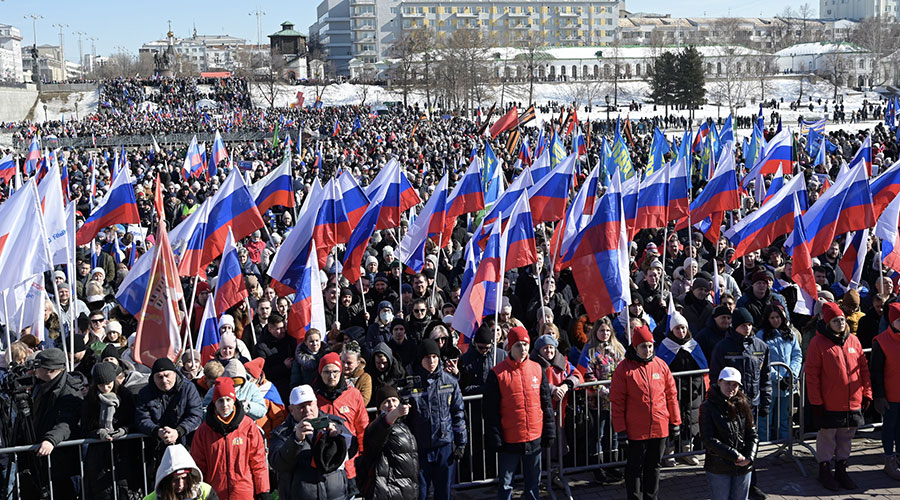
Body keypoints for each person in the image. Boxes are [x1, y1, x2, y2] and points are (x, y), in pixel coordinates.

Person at [806, 302, 872, 491]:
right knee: (827, 437)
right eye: (836, 320)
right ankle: (825, 471)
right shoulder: (817, 343)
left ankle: (842, 470)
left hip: (852, 401)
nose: (841, 323)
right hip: (829, 401)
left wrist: (867, 393)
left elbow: (864, 369)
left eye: (842, 320)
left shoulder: (854, 341)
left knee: (846, 437)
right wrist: (816, 402)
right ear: (828, 323)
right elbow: (812, 375)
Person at [610, 325, 681, 500]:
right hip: (636, 430)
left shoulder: (661, 366)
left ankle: (651, 497)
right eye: (643, 346)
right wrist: (620, 430)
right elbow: (617, 402)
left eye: (650, 346)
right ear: (635, 347)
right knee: (634, 468)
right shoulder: (624, 369)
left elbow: (671, 395)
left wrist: (675, 422)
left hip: (659, 427)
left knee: (654, 466)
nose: (648, 350)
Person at [483, 326, 555, 500]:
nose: (522, 349)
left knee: (533, 482)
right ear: (510, 347)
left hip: (534, 437)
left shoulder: (537, 369)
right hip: (510, 439)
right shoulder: (497, 374)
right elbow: (490, 410)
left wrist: (548, 431)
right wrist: (496, 437)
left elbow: (546, 403)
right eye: (518, 345)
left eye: (525, 344)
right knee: (506, 484)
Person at [17, 348, 84, 500]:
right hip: (37, 456)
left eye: (38, 367)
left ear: (50, 370)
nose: (34, 371)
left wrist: (51, 440)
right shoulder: (39, 384)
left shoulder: (69, 391)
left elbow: (67, 422)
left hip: (59, 460)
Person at [269, 385, 356, 500]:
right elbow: (278, 463)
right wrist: (296, 440)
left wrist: (338, 438)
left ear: (316, 403)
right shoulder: (281, 433)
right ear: (291, 409)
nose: (307, 410)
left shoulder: (334, 422)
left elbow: (353, 449)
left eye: (310, 404)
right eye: (301, 406)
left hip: (335, 496)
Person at [405, 339, 467, 500]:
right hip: (420, 447)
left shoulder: (450, 382)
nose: (431, 361)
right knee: (421, 493)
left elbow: (458, 413)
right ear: (421, 359)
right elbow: (405, 419)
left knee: (443, 492)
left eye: (434, 356)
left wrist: (461, 443)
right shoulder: (412, 383)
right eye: (427, 357)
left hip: (444, 445)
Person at [190, 377, 270, 500]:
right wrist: (197, 491)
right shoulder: (203, 431)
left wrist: (262, 490)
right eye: (220, 400)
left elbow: (258, 461)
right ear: (214, 402)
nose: (225, 405)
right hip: (214, 493)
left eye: (228, 400)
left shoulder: (248, 426)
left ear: (234, 400)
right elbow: (198, 466)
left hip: (244, 492)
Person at [655, 312, 708, 466]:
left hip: (692, 392)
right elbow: (663, 370)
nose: (681, 332)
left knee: (690, 423)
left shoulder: (693, 345)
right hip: (672, 393)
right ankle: (669, 453)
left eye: (683, 328)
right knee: (672, 422)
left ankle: (687, 451)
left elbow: (701, 368)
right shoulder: (665, 346)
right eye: (677, 329)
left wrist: (695, 387)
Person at [81, 362, 139, 500]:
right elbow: (84, 427)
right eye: (101, 385)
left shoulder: (125, 395)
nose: (106, 388)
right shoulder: (91, 399)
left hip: (123, 452)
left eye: (109, 384)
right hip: (99, 456)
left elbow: (134, 420)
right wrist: (97, 433)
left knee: (124, 490)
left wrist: (124, 430)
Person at [700, 367, 759, 500]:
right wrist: (735, 456)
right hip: (719, 466)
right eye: (727, 383)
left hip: (743, 465)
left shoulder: (743, 403)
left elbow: (752, 433)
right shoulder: (707, 406)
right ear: (719, 382)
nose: (731, 388)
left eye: (735, 385)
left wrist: (750, 456)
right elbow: (708, 439)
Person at [314, 351, 369, 491]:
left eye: (335, 372)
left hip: (349, 461)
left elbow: (362, 426)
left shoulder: (353, 394)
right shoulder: (313, 397)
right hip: (322, 461)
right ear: (320, 373)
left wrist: (363, 455)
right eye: (326, 372)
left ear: (341, 372)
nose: (331, 376)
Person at [134, 358, 204, 468]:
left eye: (167, 375)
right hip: (156, 449)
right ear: (153, 378)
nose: (164, 380)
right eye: (159, 377)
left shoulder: (188, 388)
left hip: (185, 445)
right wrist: (157, 431)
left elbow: (195, 414)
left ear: (175, 374)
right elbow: (142, 418)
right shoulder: (145, 393)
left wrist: (179, 431)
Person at [583, 317, 626, 483]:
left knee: (613, 433)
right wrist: (603, 391)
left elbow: (623, 370)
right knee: (598, 434)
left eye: (607, 330)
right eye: (602, 330)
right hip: (597, 402)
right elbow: (588, 375)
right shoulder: (590, 350)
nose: (605, 333)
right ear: (596, 332)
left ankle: (611, 465)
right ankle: (597, 467)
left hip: (614, 401)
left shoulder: (617, 348)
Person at [360, 385, 419, 500]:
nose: (391, 405)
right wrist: (395, 413)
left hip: (407, 492)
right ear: (379, 407)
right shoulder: (375, 427)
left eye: (394, 400)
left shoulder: (403, 426)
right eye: (386, 402)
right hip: (387, 493)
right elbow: (383, 424)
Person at [756, 304, 802, 442]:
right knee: (766, 419)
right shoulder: (761, 335)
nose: (776, 320)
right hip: (770, 384)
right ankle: (765, 445)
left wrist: (791, 374)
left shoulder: (789, 333)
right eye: (772, 318)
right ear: (767, 319)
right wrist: (778, 377)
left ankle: (784, 443)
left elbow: (797, 355)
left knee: (784, 418)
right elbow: (760, 361)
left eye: (778, 317)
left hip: (787, 384)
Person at [871, 302, 900, 480]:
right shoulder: (881, 341)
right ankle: (889, 459)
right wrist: (879, 395)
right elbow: (876, 371)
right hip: (891, 394)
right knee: (890, 427)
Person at [143, 444, 219, 500]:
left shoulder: (206, 491)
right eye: (175, 480)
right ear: (166, 480)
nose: (180, 484)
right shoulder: (151, 498)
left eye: (184, 478)